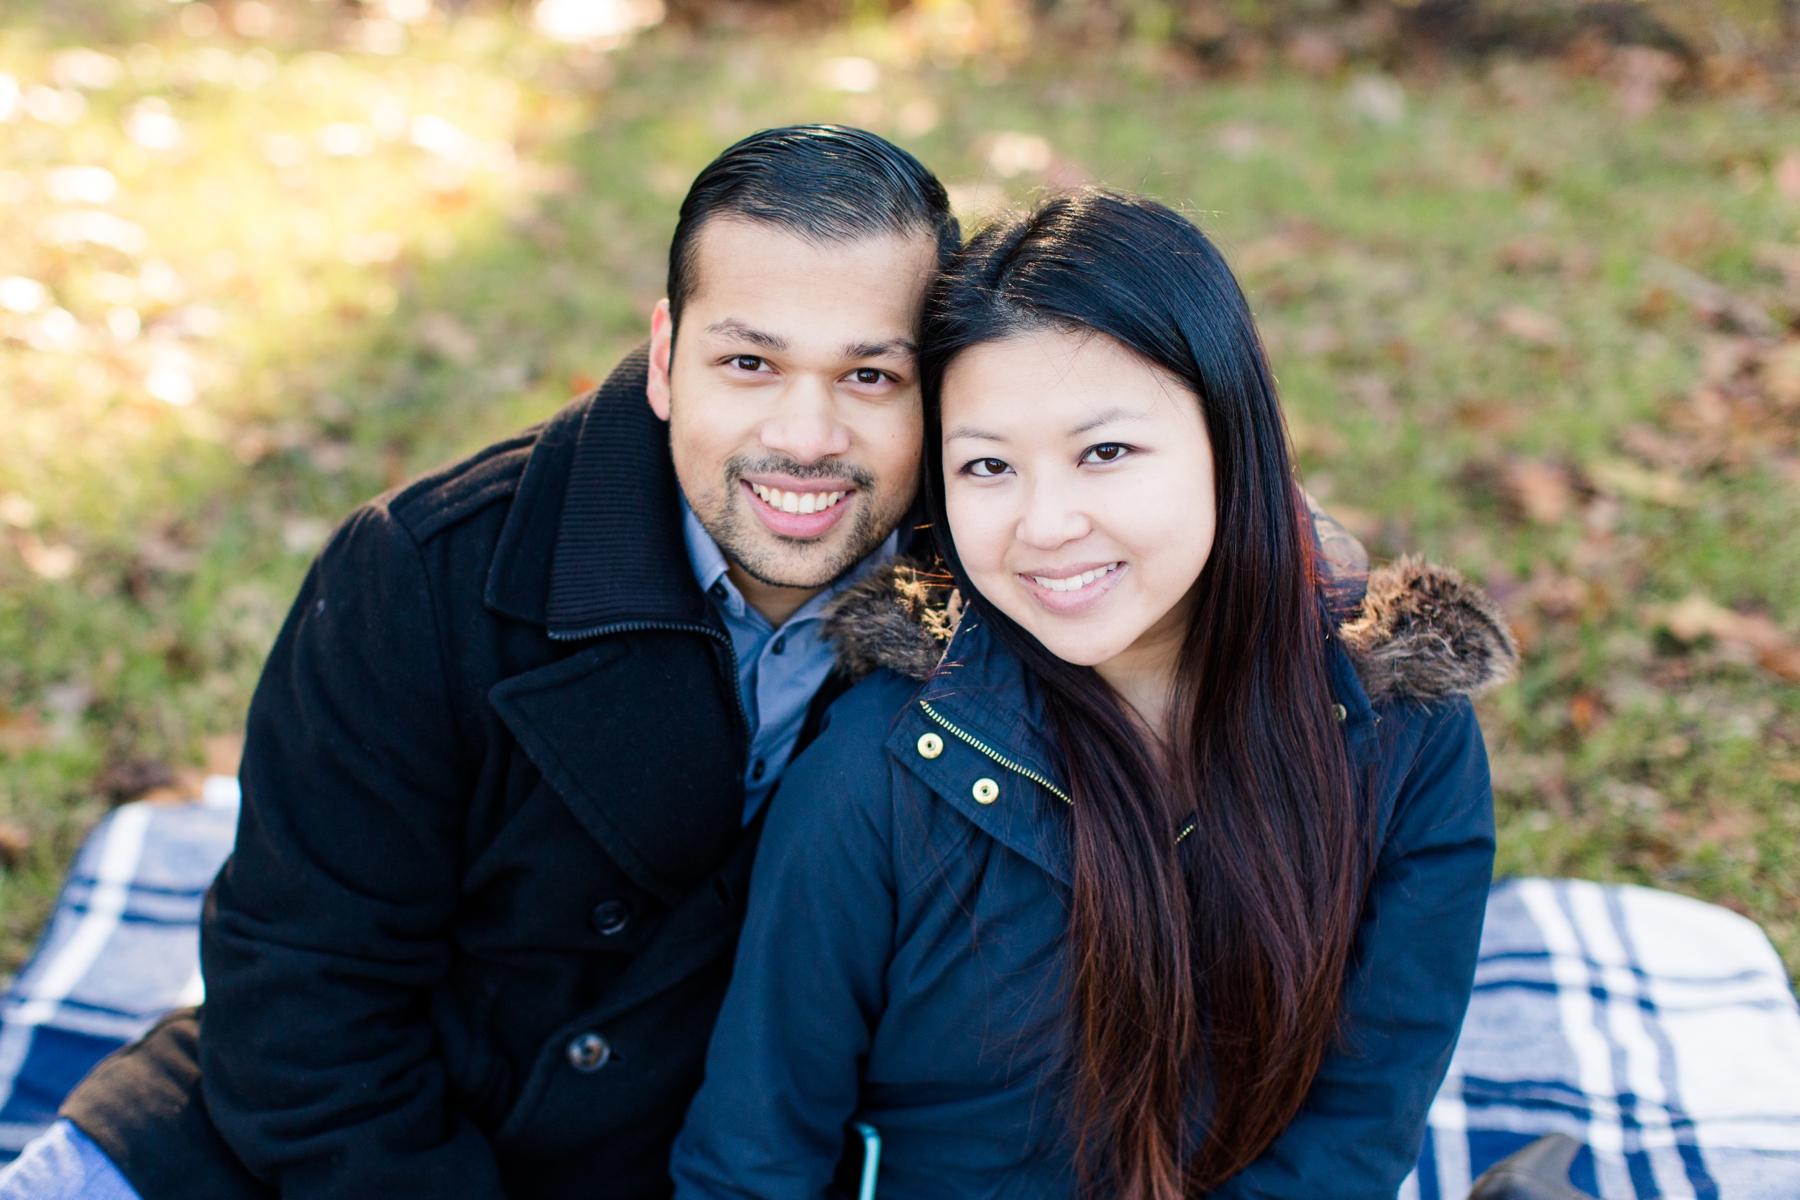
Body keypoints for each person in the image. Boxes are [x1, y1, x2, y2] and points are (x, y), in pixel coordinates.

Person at [2, 135, 1359, 1200]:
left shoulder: (1006, 552)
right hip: (350, 1153)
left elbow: (1180, 523)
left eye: (871, 377)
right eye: (749, 362)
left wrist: (1314, 579)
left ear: (939, 389)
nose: (805, 436)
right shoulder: (420, 580)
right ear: (664, 358)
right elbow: (303, 997)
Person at [670, 190, 1517, 1200]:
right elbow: (755, 1152)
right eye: (987, 465)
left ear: (1229, 438)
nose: (1046, 525)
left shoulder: (1402, 730)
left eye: (1105, 452)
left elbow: (1358, 1121)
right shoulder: (877, 776)